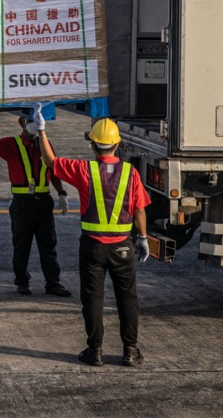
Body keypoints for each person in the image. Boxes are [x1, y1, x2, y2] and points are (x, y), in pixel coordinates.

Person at [36, 112, 151, 368]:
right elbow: (140, 209)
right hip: (122, 246)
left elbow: (50, 161)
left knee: (93, 299)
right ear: (118, 145)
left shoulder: (83, 169)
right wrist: (142, 237)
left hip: (93, 247)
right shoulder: (130, 173)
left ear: (92, 144)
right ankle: (130, 350)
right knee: (127, 299)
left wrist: (42, 132)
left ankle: (95, 350)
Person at [0, 112, 71, 298]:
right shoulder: (11, 144)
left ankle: (53, 283)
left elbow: (53, 170)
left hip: (43, 202)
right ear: (22, 123)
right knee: (22, 245)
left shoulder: (44, 144)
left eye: (36, 121)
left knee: (48, 246)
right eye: (30, 121)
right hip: (22, 204)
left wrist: (61, 193)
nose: (33, 125)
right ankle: (22, 282)